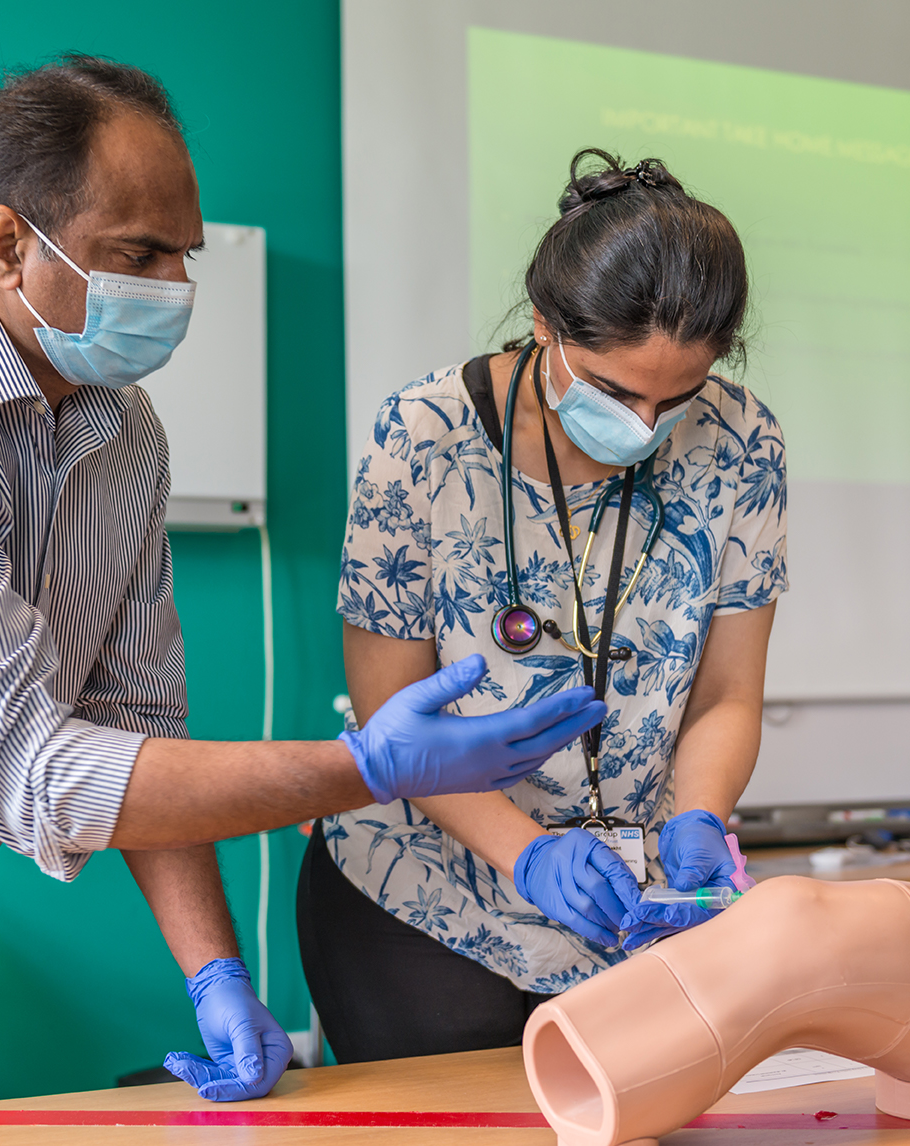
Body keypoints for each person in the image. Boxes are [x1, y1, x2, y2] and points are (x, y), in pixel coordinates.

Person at [0, 58, 607, 1122]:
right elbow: (32, 769)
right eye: (138, 254)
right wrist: (362, 767)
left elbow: (128, 729)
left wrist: (212, 972)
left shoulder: (122, 436)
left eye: (184, 254)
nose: (173, 288)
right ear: (4, 247)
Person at [298, 149, 787, 1063]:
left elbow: (727, 693)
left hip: (625, 903)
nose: (646, 426)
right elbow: (387, 711)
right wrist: (524, 850)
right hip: (423, 888)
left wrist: (699, 812)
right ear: (544, 329)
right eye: (615, 392)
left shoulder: (742, 441)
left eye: (676, 399)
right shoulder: (425, 435)